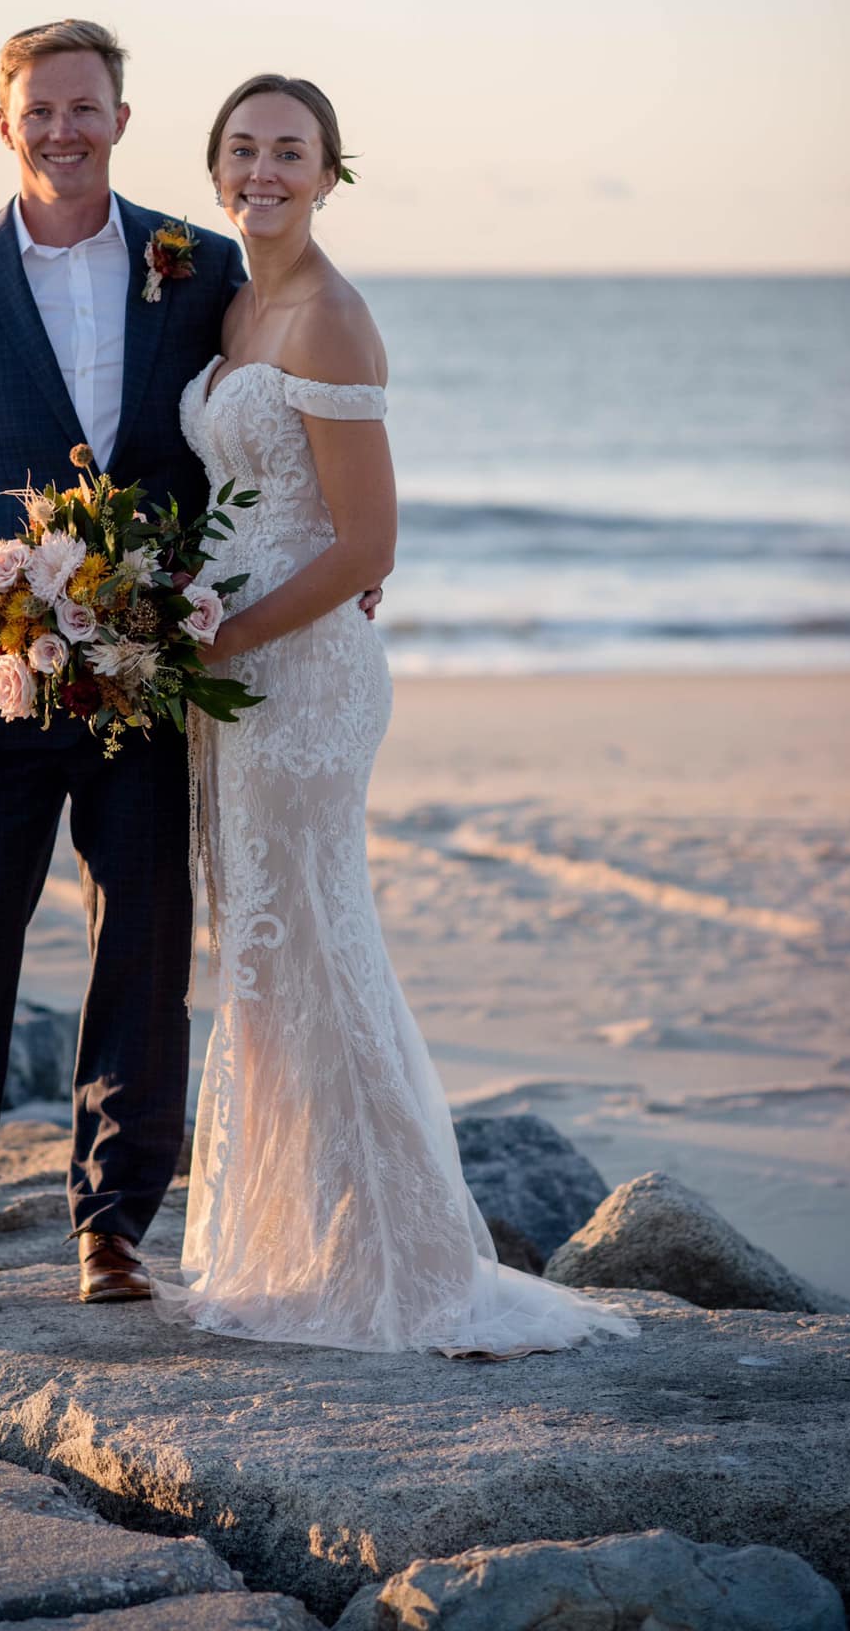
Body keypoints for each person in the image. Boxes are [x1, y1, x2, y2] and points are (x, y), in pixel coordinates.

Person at [0, 23, 381, 1323]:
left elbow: (256, 427)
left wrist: (331, 549)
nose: (65, 131)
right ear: (5, 124)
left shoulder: (191, 264)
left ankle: (115, 1229)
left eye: (87, 109)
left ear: (123, 121)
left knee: (144, 947)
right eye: (43, 111)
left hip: (153, 677)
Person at [151, 73, 642, 1357]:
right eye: (244, 148)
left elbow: (369, 542)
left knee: (314, 942)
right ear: (216, 169)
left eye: (291, 151)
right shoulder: (236, 299)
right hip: (237, 679)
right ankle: (304, 1245)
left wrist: (228, 629)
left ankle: (407, 1267)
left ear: (330, 172)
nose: (265, 169)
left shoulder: (330, 317)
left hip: (302, 681)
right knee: (265, 963)